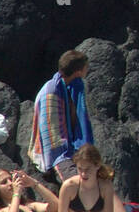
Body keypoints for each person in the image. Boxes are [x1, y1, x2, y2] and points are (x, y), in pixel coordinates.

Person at [30, 50, 94, 183]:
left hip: (67, 152)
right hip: (58, 156)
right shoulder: (52, 91)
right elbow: (51, 135)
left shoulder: (65, 87)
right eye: (86, 68)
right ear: (79, 72)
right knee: (81, 184)